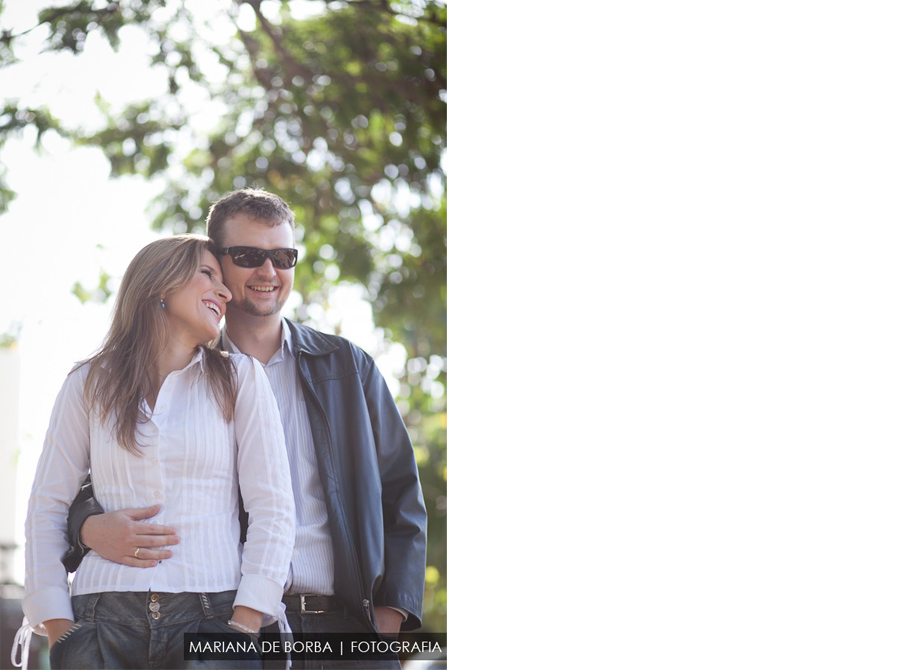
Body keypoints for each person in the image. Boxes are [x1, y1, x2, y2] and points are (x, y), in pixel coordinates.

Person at [65, 189, 428, 668]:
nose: (268, 272)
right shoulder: (173, 373)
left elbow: (401, 492)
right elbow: (111, 477)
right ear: (216, 263)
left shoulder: (347, 366)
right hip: (232, 623)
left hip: (348, 628)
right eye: (249, 256)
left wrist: (389, 618)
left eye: (282, 256)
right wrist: (86, 528)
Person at [14, 235, 296, 669]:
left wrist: (243, 624)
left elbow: (273, 507)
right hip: (100, 620)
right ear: (159, 285)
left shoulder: (241, 378)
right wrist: (59, 627)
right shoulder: (87, 382)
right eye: (208, 275)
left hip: (213, 616)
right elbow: (47, 506)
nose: (224, 292)